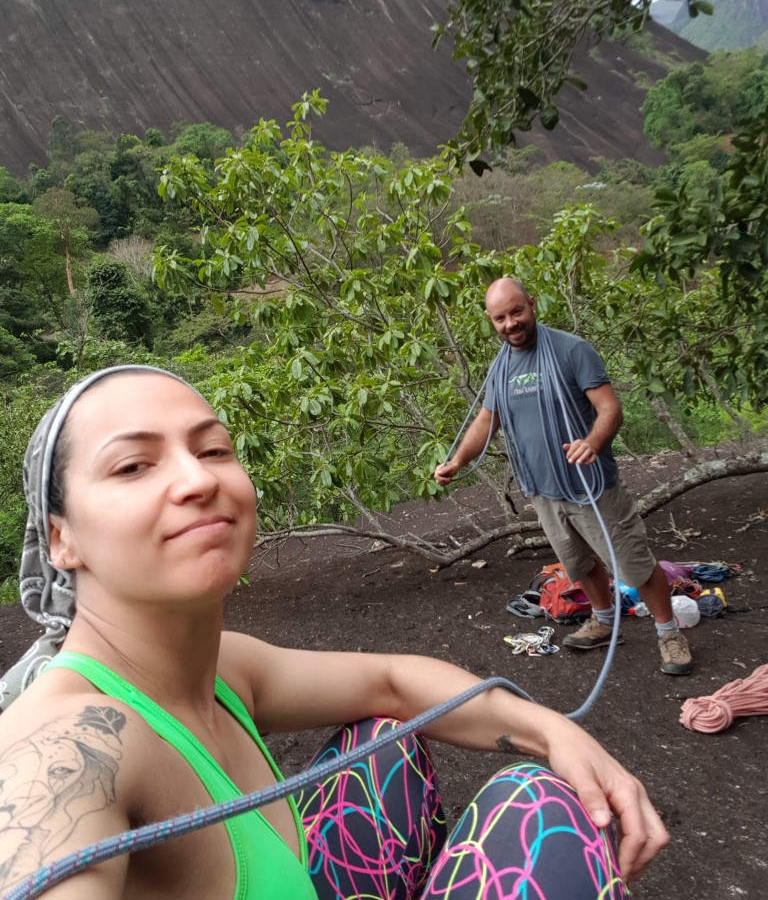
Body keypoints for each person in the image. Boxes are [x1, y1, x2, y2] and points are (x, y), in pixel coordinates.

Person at [0, 364, 668, 899]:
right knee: (540, 810)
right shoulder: (68, 744)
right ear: (61, 538)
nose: (197, 479)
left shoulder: (224, 671)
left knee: (383, 738)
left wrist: (558, 730)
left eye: (213, 448)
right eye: (133, 466)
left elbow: (391, 680)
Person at [434, 278, 694, 677]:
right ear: (491, 321)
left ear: (532, 304)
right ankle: (604, 622)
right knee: (579, 564)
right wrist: (458, 460)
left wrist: (592, 442)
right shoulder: (501, 367)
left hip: (591, 486)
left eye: (516, 312)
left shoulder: (572, 350)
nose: (510, 324)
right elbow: (488, 420)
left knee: (634, 565)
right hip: (543, 490)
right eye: (500, 318)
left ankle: (669, 633)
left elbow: (610, 409)